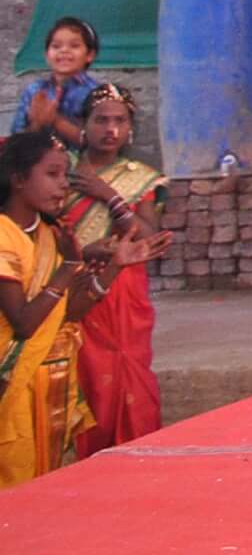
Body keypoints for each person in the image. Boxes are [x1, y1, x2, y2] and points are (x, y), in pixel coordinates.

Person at [2, 129, 165, 486]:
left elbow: (69, 313)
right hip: (13, 384)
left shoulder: (49, 236)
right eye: (52, 174)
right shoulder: (3, 235)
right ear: (18, 179)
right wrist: (69, 267)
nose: (63, 185)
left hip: (49, 385)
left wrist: (114, 267)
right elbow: (25, 324)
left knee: (42, 485)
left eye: (65, 174)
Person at [65, 83, 164, 456]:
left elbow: (151, 240)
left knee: (127, 370)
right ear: (83, 124)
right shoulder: (61, 171)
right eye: (101, 120)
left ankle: (135, 454)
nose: (111, 129)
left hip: (124, 289)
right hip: (75, 285)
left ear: (131, 128)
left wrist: (109, 196)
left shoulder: (140, 178)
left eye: (120, 121)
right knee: (87, 373)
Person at [12, 18, 100, 150]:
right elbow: (16, 141)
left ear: (90, 55)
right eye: (56, 46)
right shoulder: (34, 91)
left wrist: (55, 120)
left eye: (74, 46)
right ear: (46, 55)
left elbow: (98, 142)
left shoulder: (96, 93)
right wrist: (36, 124)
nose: (64, 50)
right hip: (38, 161)